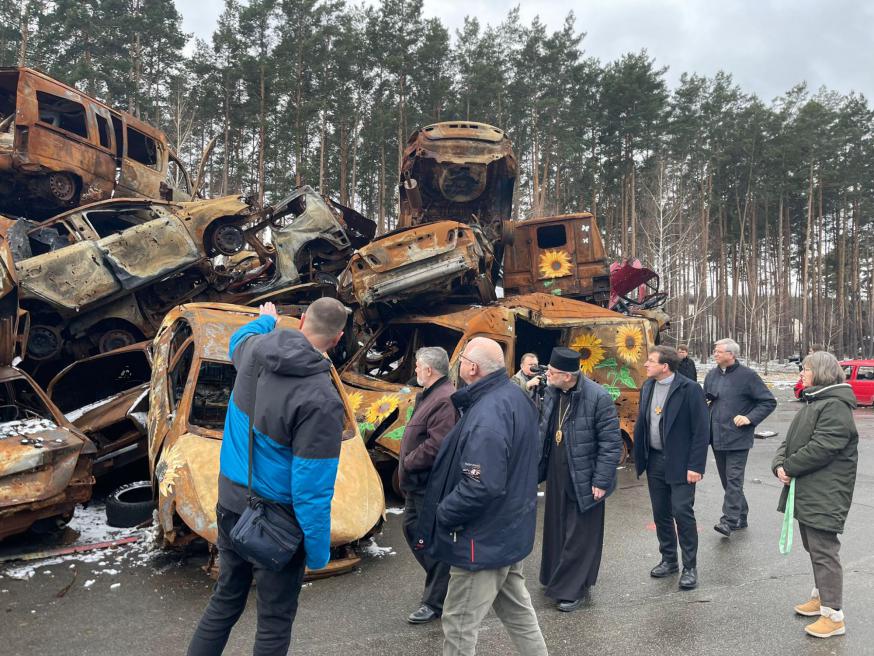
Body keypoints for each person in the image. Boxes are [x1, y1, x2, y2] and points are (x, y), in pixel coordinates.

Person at [187, 298, 350, 656]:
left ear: (302, 319)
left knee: (226, 600)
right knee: (274, 623)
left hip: (231, 502)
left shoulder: (255, 349)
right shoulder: (322, 399)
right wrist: (319, 552)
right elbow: (312, 489)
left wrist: (265, 321)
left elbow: (235, 341)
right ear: (337, 339)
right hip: (276, 522)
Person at [418, 337, 547, 656]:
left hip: (480, 541)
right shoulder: (514, 397)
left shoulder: (489, 412)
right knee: (519, 615)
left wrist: (444, 513)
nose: (458, 364)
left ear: (472, 368)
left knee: (459, 625)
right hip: (505, 532)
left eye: (461, 358)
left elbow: (482, 484)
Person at [772, 351, 858, 639]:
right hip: (809, 489)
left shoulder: (834, 405)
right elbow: (790, 441)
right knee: (814, 548)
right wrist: (779, 465)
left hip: (825, 492)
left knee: (824, 551)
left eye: (806, 369)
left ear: (820, 372)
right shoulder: (815, 400)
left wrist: (790, 467)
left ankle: (833, 616)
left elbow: (824, 446)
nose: (802, 373)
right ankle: (822, 596)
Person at [538, 347, 622, 612]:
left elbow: (611, 444)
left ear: (567, 376)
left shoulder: (598, 398)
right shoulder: (553, 391)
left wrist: (601, 481)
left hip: (585, 476)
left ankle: (572, 589)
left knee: (580, 534)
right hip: (557, 471)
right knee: (556, 528)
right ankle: (554, 576)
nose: (546, 375)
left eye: (551, 372)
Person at [634, 345, 709, 590]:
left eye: (651, 361)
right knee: (661, 513)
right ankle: (669, 559)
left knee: (682, 512)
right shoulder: (648, 386)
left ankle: (690, 567)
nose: (646, 364)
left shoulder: (689, 389)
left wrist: (696, 465)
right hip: (654, 459)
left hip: (681, 462)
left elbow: (701, 430)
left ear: (664, 366)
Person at [398, 346, 458, 625]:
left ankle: (435, 601)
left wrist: (409, 461)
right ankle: (444, 582)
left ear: (430, 370)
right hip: (417, 484)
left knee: (428, 540)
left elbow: (437, 444)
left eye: (418, 366)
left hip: (428, 484)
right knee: (412, 530)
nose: (416, 371)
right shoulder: (431, 394)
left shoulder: (444, 399)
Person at [704, 338, 776, 537]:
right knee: (727, 482)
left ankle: (728, 520)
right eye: (715, 351)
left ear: (731, 355)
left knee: (734, 480)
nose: (715, 354)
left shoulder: (748, 376)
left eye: (718, 351)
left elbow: (768, 402)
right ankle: (741, 515)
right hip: (716, 437)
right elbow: (707, 399)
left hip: (738, 438)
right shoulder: (712, 375)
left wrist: (749, 418)